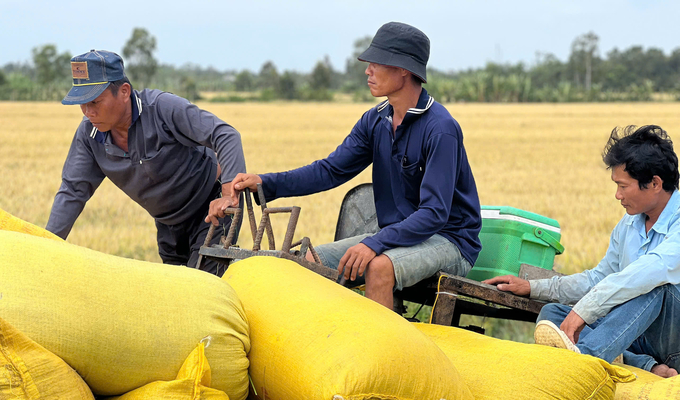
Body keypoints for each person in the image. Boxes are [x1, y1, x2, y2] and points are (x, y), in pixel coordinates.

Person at [207, 22, 482, 309]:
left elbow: (435, 213)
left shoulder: (441, 129)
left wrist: (375, 243)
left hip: (449, 241)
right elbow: (330, 170)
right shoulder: (375, 120)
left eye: (377, 62)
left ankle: (384, 353)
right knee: (305, 262)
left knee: (378, 268)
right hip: (397, 235)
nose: (368, 70)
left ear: (404, 69)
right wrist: (265, 182)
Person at [485, 125, 680, 378]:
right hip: (636, 337)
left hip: (674, 342)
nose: (617, 195)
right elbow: (597, 279)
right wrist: (534, 287)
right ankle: (645, 365)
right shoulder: (629, 224)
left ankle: (581, 365)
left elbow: (648, 272)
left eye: (623, 186)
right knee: (552, 314)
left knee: (655, 287)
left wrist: (583, 311)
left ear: (655, 183)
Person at [46, 50, 246, 275]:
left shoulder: (161, 109)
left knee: (200, 287)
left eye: (95, 101)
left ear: (123, 92)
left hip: (211, 211)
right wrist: (46, 247)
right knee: (176, 294)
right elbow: (73, 191)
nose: (87, 111)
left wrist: (229, 195)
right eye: (82, 103)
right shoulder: (89, 135)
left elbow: (225, 135)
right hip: (167, 224)